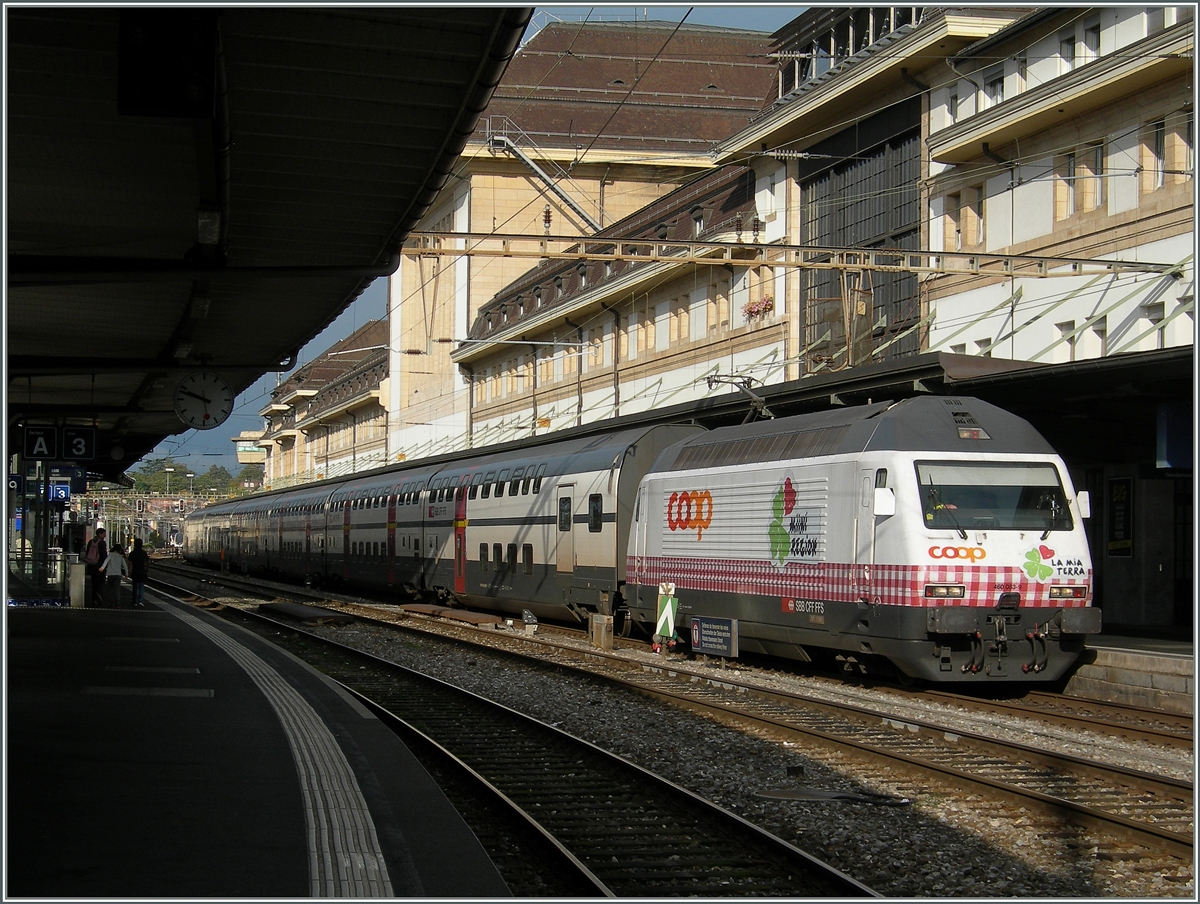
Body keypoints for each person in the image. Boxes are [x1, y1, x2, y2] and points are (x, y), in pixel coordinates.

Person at [83, 528, 107, 607]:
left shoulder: (90, 542)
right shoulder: (102, 543)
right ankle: (99, 599)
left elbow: (87, 553)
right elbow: (104, 555)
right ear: (99, 534)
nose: (105, 535)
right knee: (101, 584)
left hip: (92, 566)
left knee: (94, 584)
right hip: (100, 567)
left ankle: (94, 599)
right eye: (104, 534)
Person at [99, 544, 129, 608]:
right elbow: (125, 566)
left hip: (110, 574)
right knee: (117, 589)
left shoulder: (110, 555)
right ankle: (117, 603)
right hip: (118, 574)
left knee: (109, 588)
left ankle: (110, 599)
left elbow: (106, 561)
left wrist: (102, 568)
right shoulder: (120, 557)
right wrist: (126, 574)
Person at [127, 537, 150, 608]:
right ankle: (140, 600)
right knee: (141, 586)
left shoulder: (132, 553)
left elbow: (130, 563)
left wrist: (129, 571)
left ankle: (135, 600)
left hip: (135, 571)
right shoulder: (143, 553)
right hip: (142, 570)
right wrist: (147, 568)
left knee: (135, 586)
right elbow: (148, 561)